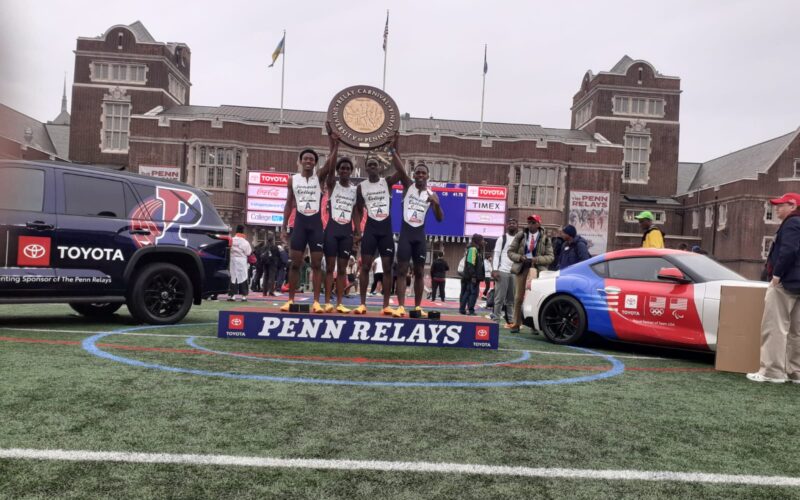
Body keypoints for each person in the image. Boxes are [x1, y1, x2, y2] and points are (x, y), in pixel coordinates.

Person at [280, 122, 338, 313]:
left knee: (315, 264)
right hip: (299, 224)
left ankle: (316, 301)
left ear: (315, 163)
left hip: (315, 225)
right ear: (300, 161)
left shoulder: (319, 178)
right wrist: (283, 227)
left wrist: (333, 140)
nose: (308, 161)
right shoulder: (292, 180)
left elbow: (330, 162)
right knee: (295, 263)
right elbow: (289, 204)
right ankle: (291, 299)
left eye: (312, 159)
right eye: (305, 158)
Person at [354, 133, 411, 316]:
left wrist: (394, 149)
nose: (372, 167)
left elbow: (402, 173)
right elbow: (358, 209)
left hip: (386, 229)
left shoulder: (386, 183)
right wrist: (357, 230)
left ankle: (385, 305)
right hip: (370, 229)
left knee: (387, 269)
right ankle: (362, 303)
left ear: (379, 168)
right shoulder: (361, 187)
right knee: (364, 266)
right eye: (369, 165)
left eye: (375, 165)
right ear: (366, 168)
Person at [747, 192, 800, 384]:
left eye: (781, 205)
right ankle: (795, 372)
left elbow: (789, 250)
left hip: (786, 282)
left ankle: (772, 372)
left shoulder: (791, 223)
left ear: (793, 206)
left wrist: (776, 276)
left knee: (775, 327)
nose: (776, 208)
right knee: (796, 330)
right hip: (797, 283)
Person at [394, 157, 444, 318]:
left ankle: (417, 306)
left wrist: (436, 203)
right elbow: (400, 167)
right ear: (414, 175)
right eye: (418, 172)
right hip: (405, 234)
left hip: (419, 237)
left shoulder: (432, 194)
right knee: (402, 271)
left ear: (428, 176)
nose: (420, 175)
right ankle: (401, 306)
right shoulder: (408, 186)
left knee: (420, 272)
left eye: (423, 173)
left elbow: (440, 218)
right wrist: (393, 149)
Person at [322, 156, 361, 313]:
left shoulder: (354, 190)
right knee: (330, 268)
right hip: (332, 230)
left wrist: (358, 231)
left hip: (346, 232)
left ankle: (339, 303)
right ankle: (327, 302)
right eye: (342, 168)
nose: (344, 170)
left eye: (347, 168)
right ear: (338, 171)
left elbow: (355, 213)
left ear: (351, 171)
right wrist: (335, 146)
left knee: (343, 270)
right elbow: (330, 171)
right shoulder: (333, 185)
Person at [506, 214, 554, 333]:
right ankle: (516, 324)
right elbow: (510, 252)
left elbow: (550, 257)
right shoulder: (521, 235)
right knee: (518, 297)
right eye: (529, 222)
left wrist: (537, 259)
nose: (530, 224)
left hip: (537, 271)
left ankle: (534, 326)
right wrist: (520, 257)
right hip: (522, 268)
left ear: (539, 224)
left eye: (533, 222)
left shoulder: (545, 238)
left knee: (535, 298)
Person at [490, 217, 518, 322]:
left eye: (514, 223)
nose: (512, 224)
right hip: (502, 271)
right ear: (507, 226)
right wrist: (495, 270)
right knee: (499, 298)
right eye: (510, 223)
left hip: (514, 272)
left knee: (511, 299)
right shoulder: (502, 238)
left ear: (517, 225)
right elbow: (496, 254)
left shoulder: (519, 239)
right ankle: (496, 318)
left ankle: (510, 319)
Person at [459, 234, 484, 315]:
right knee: (472, 293)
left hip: (471, 276)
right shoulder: (473, 249)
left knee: (468, 292)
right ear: (478, 241)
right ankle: (470, 310)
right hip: (471, 277)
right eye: (482, 240)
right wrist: (473, 276)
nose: (483, 242)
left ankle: (463, 309)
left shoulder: (476, 249)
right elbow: (470, 263)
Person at [228, 225, 252, 302]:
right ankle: (244, 296)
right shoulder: (245, 242)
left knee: (233, 277)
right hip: (241, 260)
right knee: (243, 277)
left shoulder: (231, 240)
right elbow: (248, 253)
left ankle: (232, 296)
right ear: (243, 231)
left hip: (233, 259)